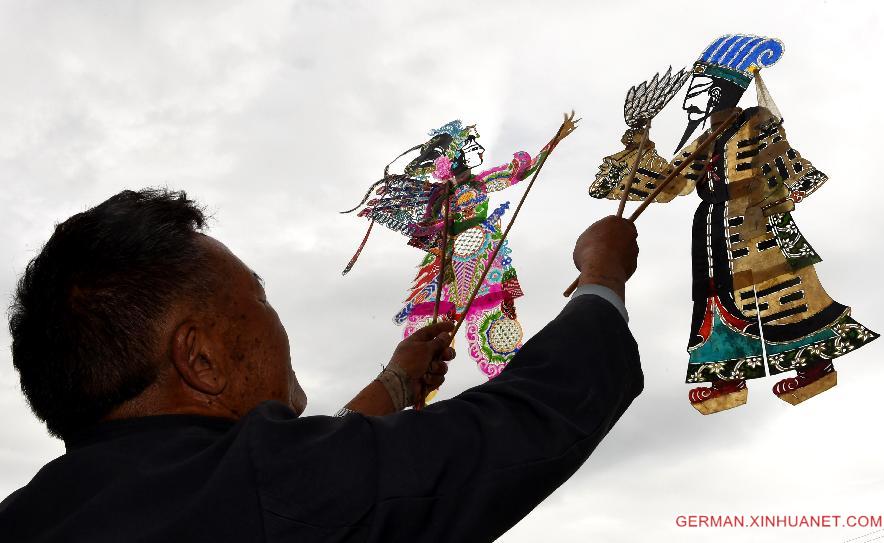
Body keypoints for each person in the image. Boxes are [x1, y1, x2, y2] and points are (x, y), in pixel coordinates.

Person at [0, 188, 641, 542]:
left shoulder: (30, 516)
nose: (274, 319)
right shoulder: (272, 485)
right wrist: (601, 278)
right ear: (199, 358)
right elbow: (528, 420)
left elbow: (314, 492)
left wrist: (395, 383)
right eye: (258, 296)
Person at [589, 34, 877, 415]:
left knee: (779, 298)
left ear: (717, 92)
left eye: (698, 88)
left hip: (757, 224)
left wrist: (771, 203)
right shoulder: (704, 140)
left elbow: (788, 167)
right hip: (713, 226)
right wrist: (640, 143)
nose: (689, 97)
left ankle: (814, 367)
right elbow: (670, 184)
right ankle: (725, 380)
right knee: (714, 296)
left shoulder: (756, 123)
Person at [343, 117, 576, 379]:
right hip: (446, 264)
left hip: (481, 255)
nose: (480, 150)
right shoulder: (439, 197)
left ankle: (509, 380)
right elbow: (425, 227)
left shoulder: (479, 183)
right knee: (427, 328)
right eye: (472, 145)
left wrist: (553, 142)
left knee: (492, 328)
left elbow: (520, 172)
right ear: (456, 155)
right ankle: (413, 384)